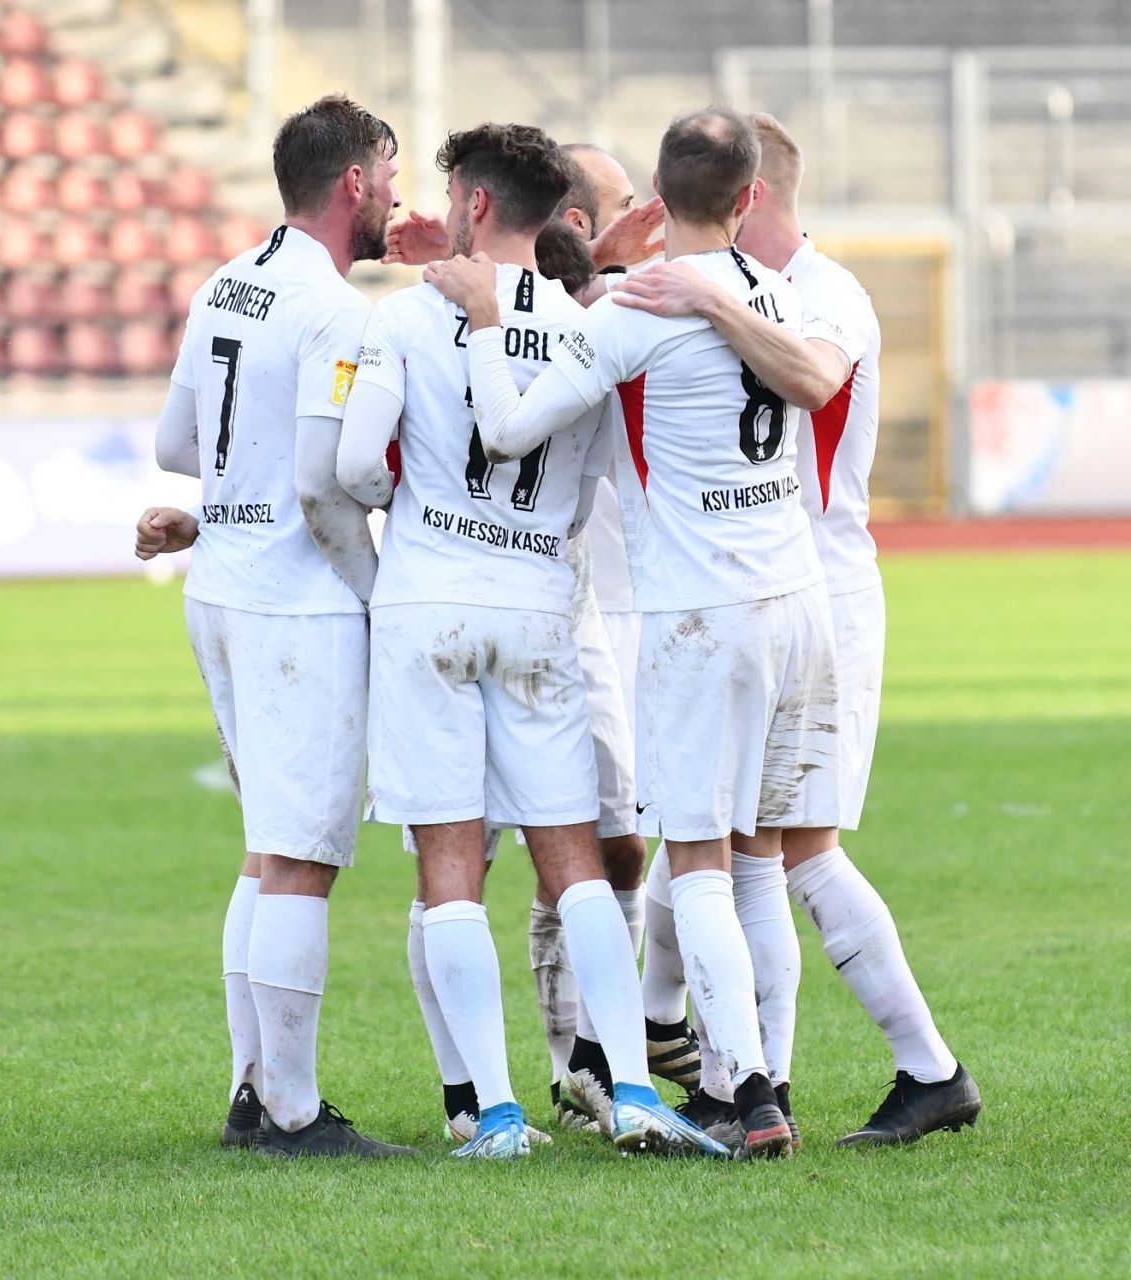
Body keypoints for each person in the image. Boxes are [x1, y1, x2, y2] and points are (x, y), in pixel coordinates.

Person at [424, 107, 835, 1160]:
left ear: (658, 196)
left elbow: (509, 426)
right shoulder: (778, 295)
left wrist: (482, 323)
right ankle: (768, 1070)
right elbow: (815, 377)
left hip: (700, 610)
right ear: (750, 199)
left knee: (693, 863)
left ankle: (748, 1091)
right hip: (797, 600)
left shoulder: (633, 314)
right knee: (759, 857)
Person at [333, 122, 723, 1160]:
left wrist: (411, 495)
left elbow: (352, 467)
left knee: (451, 867)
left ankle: (496, 1113)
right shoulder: (585, 323)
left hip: (429, 606)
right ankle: (630, 1085)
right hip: (542, 602)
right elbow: (596, 464)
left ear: (475, 204)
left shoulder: (403, 320)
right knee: (575, 862)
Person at [612, 111, 980, 1148]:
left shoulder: (825, 296)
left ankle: (899, 1067)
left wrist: (706, 296)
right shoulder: (739, 290)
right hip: (763, 593)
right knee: (754, 851)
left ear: (751, 198)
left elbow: (811, 377)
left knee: (787, 849)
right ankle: (754, 1076)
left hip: (807, 590)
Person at [131, 94, 413, 1158]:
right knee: (302, 855)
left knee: (265, 851)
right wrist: (382, 597)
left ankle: (252, 1090)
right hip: (300, 603)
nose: (396, 195)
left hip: (221, 588)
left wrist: (226, 500)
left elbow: (175, 438)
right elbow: (325, 482)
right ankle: (290, 1107)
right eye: (388, 174)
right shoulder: (339, 310)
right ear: (352, 183)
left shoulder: (225, 280)